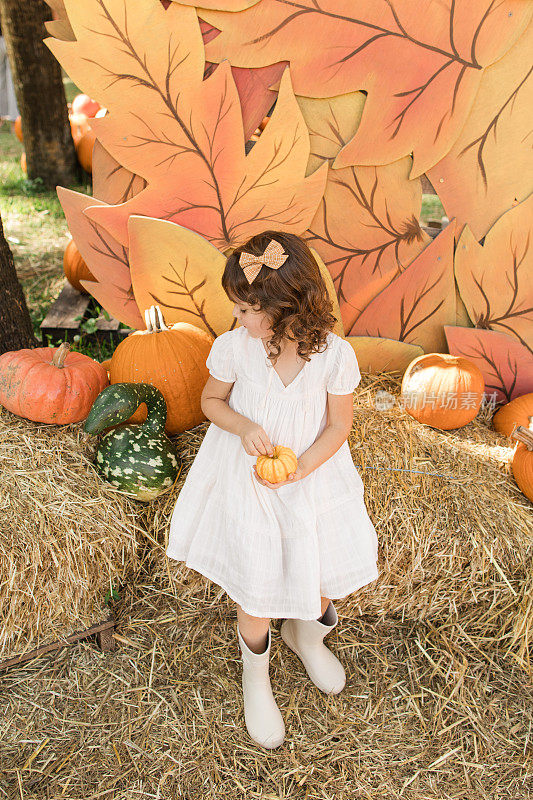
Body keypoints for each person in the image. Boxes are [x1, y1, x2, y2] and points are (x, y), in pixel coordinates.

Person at [166, 231, 379, 749]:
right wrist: (242, 428)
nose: (237, 318)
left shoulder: (334, 356)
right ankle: (255, 677)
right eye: (236, 308)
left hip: (312, 476)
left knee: (324, 578)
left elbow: (338, 428)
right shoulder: (234, 349)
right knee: (257, 590)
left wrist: (304, 466)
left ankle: (305, 636)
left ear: (287, 306)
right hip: (251, 481)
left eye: (246, 308)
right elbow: (211, 401)